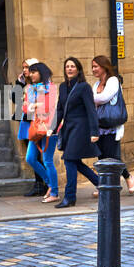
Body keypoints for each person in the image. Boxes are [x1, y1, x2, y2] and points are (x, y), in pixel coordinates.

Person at [52, 57, 100, 209]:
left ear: (78, 69)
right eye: (67, 66)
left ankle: (70, 197)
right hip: (68, 128)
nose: (70, 69)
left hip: (81, 128)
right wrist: (52, 128)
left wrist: (94, 131)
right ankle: (102, 184)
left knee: (69, 160)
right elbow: (60, 109)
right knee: (75, 162)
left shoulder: (84, 87)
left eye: (73, 66)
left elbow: (91, 110)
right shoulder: (62, 87)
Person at [90, 55, 134, 195]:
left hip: (111, 125)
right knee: (101, 157)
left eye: (95, 66)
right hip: (98, 126)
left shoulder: (113, 81)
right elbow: (97, 100)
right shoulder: (95, 85)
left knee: (113, 157)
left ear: (104, 66)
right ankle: (104, 185)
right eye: (92, 67)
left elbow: (104, 97)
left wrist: (90, 98)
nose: (93, 69)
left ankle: (128, 177)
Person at [22, 62, 60, 203]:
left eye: (33, 72)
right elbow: (25, 109)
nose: (30, 74)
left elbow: (49, 106)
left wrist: (34, 105)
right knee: (30, 158)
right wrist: (34, 105)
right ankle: (50, 184)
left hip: (50, 126)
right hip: (36, 128)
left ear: (41, 72)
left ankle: (54, 192)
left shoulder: (51, 87)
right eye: (30, 72)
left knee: (47, 160)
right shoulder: (30, 88)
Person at [11, 58, 44, 197]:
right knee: (32, 156)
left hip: (35, 123)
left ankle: (45, 183)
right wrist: (19, 84)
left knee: (38, 155)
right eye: (23, 67)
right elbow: (14, 99)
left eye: (27, 67)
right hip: (25, 122)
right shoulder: (25, 84)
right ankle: (39, 183)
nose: (24, 70)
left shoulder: (39, 85)